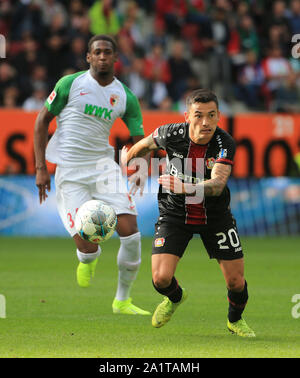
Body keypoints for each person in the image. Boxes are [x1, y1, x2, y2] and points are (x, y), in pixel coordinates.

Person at [122, 89, 255, 336]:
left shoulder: (223, 143)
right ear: (187, 116)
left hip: (215, 216)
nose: (205, 122)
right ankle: (176, 298)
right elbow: (143, 146)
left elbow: (217, 185)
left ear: (218, 116)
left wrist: (186, 187)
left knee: (236, 282)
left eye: (211, 115)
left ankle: (234, 320)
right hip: (175, 213)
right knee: (161, 279)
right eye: (199, 115)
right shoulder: (170, 133)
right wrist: (129, 162)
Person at [34, 34, 150, 316]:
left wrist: (142, 167)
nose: (102, 56)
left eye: (107, 52)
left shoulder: (125, 96)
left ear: (115, 58)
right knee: (88, 247)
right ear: (88, 57)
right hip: (70, 172)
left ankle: (122, 301)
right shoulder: (70, 84)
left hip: (103, 169)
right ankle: (88, 259)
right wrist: (40, 169)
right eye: (96, 52)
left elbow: (142, 141)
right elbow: (41, 123)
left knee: (131, 234)